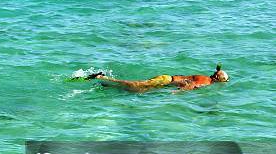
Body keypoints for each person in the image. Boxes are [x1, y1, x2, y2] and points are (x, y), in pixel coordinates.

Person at [90, 64, 229, 91]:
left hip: (166, 80)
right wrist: (178, 93)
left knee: (139, 90)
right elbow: (191, 84)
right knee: (137, 85)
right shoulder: (207, 81)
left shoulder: (206, 78)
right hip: (167, 80)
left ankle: (107, 85)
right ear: (218, 80)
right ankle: (103, 77)